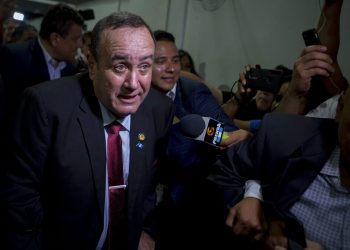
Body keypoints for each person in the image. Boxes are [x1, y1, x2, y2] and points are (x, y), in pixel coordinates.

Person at [1, 11, 175, 250]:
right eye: (120, 66)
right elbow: (19, 196)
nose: (134, 84)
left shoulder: (159, 109)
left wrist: (143, 229)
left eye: (144, 66)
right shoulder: (45, 106)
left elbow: (149, 185)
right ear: (92, 66)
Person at [150, 30, 250, 250]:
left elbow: (227, 133)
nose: (171, 68)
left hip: (195, 203)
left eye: (175, 60)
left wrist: (226, 137)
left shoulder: (192, 92)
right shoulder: (132, 96)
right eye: (161, 61)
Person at [0, 3, 85, 119]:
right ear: (55, 39)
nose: (80, 45)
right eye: (75, 39)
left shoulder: (74, 67)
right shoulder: (14, 57)